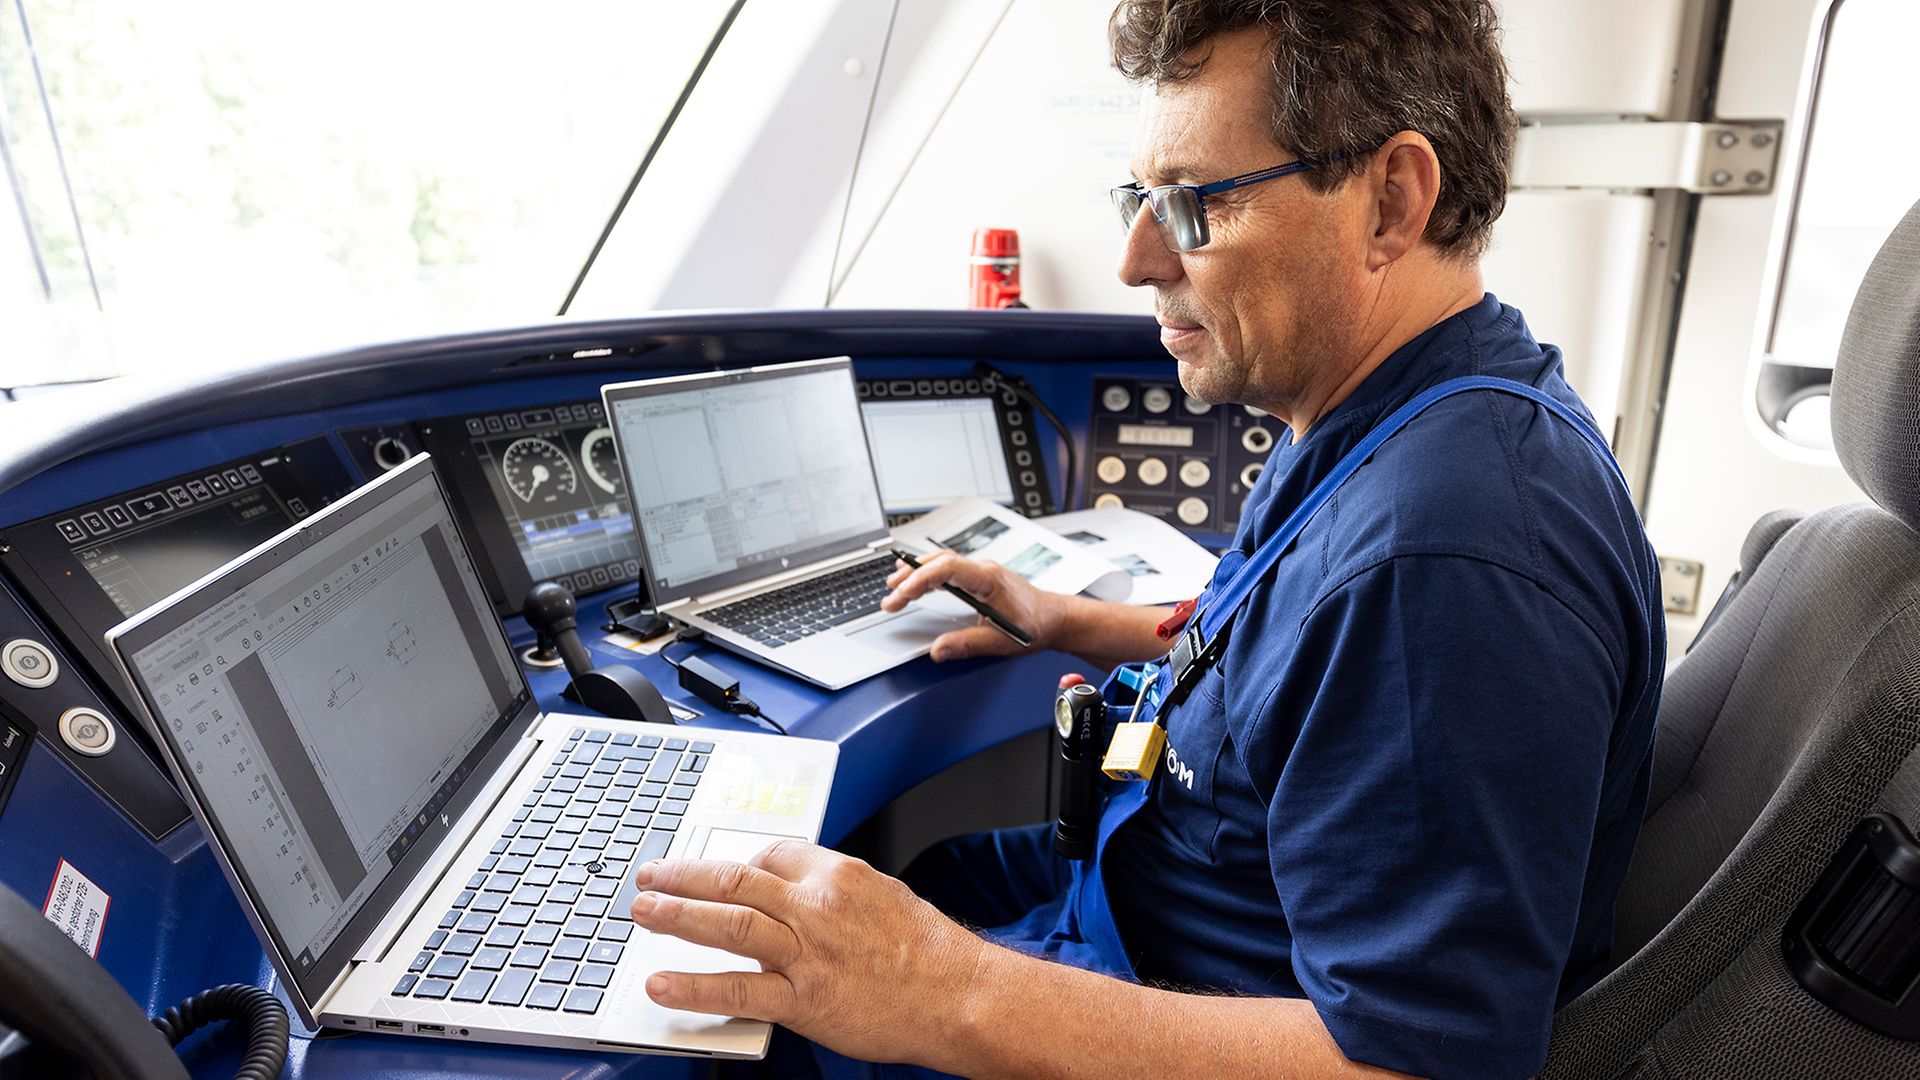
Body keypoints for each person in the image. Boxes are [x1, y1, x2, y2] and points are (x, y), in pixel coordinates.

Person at [625, 2, 1665, 1076]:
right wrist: (1069, 621)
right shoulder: (1387, 417)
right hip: (1131, 904)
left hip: (1170, 984)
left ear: (1391, 202)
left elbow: (1412, 1065)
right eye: (1138, 198)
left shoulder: (1446, 557)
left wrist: (953, 990)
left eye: (1187, 205)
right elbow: (1286, 657)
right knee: (900, 874)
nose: (1133, 259)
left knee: (712, 1040)